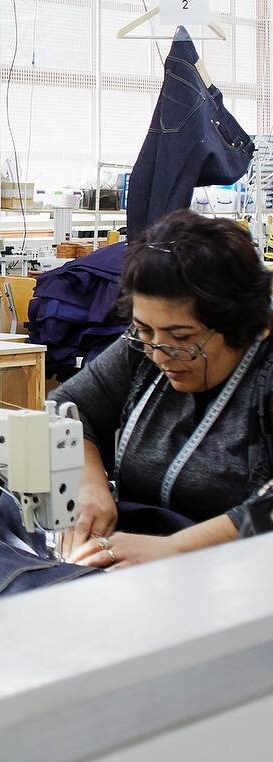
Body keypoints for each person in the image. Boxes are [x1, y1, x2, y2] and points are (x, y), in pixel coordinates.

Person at [53, 211, 273, 570]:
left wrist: (179, 549)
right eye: (144, 329)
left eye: (182, 338)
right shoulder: (144, 347)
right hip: (142, 562)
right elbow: (69, 406)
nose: (158, 353)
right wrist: (89, 485)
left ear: (240, 324)